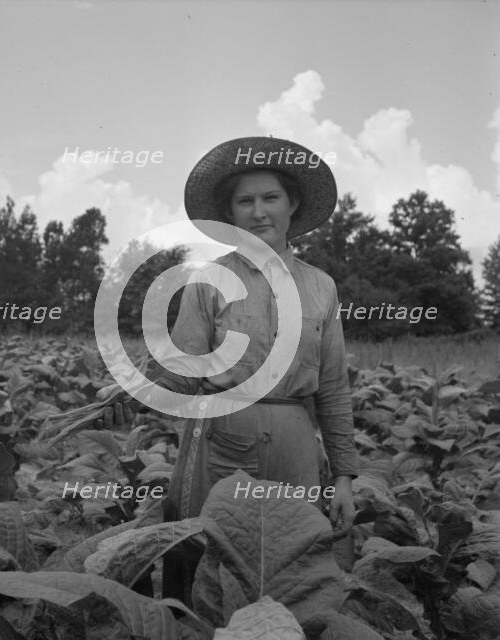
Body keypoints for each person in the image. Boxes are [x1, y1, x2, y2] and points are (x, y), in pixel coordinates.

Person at [106, 136, 358, 603]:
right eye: (246, 201)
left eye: (270, 198)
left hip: (294, 447)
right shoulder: (207, 281)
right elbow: (181, 374)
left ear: (292, 204)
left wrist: (343, 476)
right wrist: (130, 395)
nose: (258, 211)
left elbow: (333, 388)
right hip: (222, 441)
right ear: (231, 213)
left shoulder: (321, 287)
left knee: (293, 566)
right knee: (205, 559)